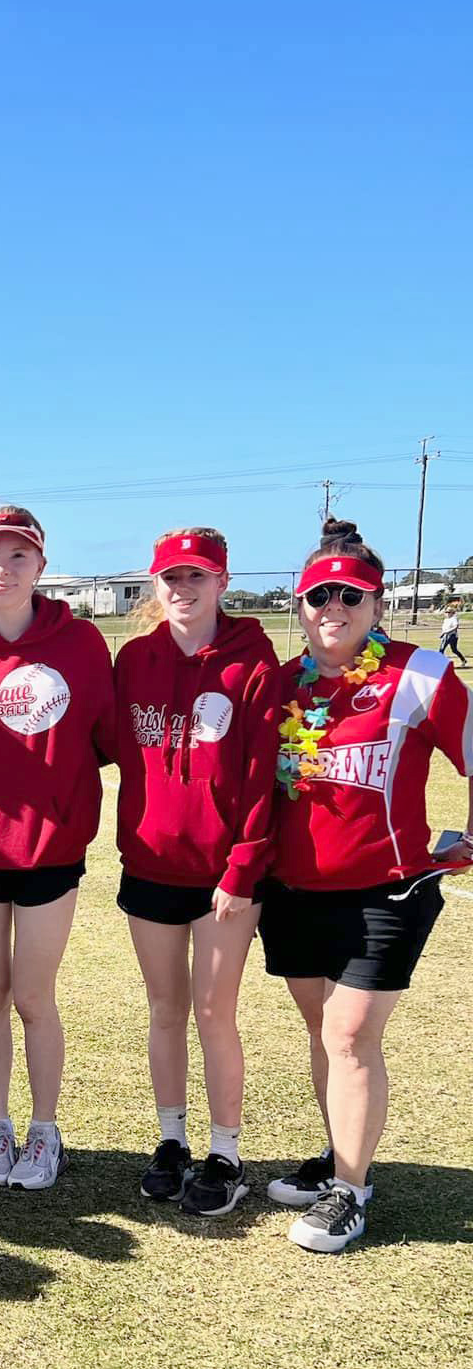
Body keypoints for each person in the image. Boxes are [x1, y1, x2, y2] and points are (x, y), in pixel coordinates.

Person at [260, 519, 473, 1253]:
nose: (334, 608)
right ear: (301, 605)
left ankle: (350, 1192)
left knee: (350, 1036)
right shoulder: (282, 685)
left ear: (377, 604)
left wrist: (466, 841)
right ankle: (340, 1155)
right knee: (323, 1033)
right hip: (292, 890)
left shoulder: (421, 674)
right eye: (319, 595)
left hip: (388, 889)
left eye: (351, 595)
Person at [0, 506, 115, 1191]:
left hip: (49, 849)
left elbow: (103, 737)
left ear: (40, 565)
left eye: (19, 556)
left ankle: (45, 1132)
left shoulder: (81, 644)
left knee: (35, 995)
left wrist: (59, 799)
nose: (3, 569)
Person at [113, 528, 282, 1216]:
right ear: (157, 585)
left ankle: (225, 1151)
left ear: (222, 580)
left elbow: (262, 772)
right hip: (150, 862)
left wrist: (242, 867)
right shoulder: (134, 660)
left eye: (197, 577)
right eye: (172, 578)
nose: (184, 590)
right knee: (164, 1009)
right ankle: (172, 1140)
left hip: (224, 873)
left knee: (214, 1011)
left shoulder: (253, 661)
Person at [439, 600, 468, 669]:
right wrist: (442, 633)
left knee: (441, 650)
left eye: (449, 612)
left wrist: (446, 632)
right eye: (446, 612)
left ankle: (440, 664)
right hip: (445, 636)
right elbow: (444, 629)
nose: (447, 613)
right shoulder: (446, 620)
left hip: (452, 636)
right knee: (453, 650)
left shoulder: (454, 618)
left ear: (452, 613)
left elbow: (455, 627)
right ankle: (463, 660)